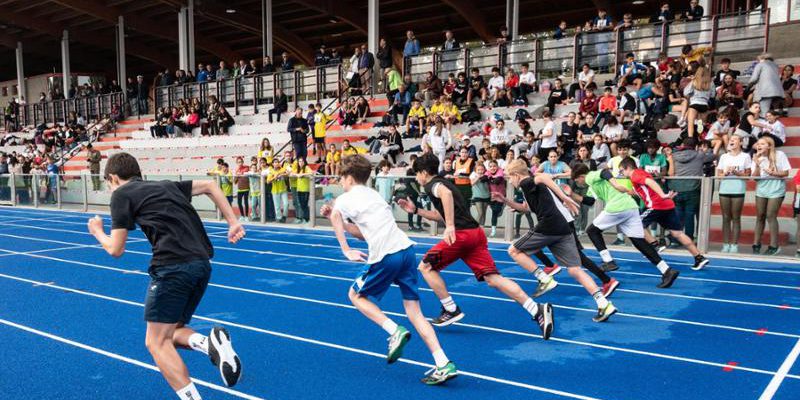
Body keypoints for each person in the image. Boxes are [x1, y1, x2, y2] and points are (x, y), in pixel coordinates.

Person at [87, 153, 245, 400]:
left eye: (108, 184)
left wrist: (97, 232)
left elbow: (116, 249)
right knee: (171, 332)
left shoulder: (121, 194)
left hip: (172, 267)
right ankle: (209, 343)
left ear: (113, 178)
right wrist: (233, 222)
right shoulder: (165, 185)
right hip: (201, 264)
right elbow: (210, 185)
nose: (109, 189)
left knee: (155, 343)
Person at [320, 155, 457, 384]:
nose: (340, 184)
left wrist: (345, 249)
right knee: (414, 311)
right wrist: (344, 225)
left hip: (386, 255)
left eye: (341, 179)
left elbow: (335, 215)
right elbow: (364, 233)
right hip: (406, 251)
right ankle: (443, 363)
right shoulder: (374, 195)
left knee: (355, 295)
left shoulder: (345, 198)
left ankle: (394, 330)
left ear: (349, 178)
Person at [396, 153, 554, 336]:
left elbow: (445, 197)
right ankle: (537, 310)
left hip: (461, 236)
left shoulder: (435, 185)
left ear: (424, 172)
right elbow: (441, 214)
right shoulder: (446, 183)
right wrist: (415, 210)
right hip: (475, 235)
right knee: (493, 279)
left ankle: (450, 309)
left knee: (425, 267)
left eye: (417, 174)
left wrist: (450, 226)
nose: (416, 178)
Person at [496, 159, 618, 322]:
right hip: (562, 228)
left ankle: (544, 278)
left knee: (513, 250)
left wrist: (564, 198)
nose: (510, 181)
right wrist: (504, 200)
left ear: (517, 175)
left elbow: (544, 177)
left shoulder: (527, 182)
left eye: (510, 178)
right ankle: (603, 303)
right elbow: (526, 208)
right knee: (574, 269)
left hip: (548, 225)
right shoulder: (528, 188)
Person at [574, 164, 680, 288]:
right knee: (639, 242)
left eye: (577, 180)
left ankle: (608, 261)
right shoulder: (593, 185)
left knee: (592, 231)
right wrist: (571, 195)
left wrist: (616, 184)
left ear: (581, 176)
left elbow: (604, 172)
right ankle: (667, 270)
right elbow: (590, 201)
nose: (578, 183)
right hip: (630, 207)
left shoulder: (590, 177)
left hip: (617, 207)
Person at [618, 158, 710, 270]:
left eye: (622, 171)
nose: (621, 174)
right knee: (678, 233)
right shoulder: (641, 173)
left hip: (656, 205)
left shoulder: (635, 174)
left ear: (628, 168)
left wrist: (662, 194)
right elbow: (641, 190)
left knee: (636, 223)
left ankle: (655, 245)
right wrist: (624, 190)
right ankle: (699, 257)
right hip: (667, 205)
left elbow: (650, 182)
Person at [751, 137, 791, 255]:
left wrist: (774, 173)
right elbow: (755, 178)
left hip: (776, 189)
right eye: (758, 144)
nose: (759, 145)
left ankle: (774, 246)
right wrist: (757, 164)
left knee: (770, 215)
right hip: (762, 189)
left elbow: (786, 172)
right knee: (760, 216)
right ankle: (756, 244)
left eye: (762, 144)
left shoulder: (780, 154)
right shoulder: (757, 157)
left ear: (769, 146)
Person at [716, 135, 751, 253]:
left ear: (740, 143)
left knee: (736, 218)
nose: (731, 141)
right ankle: (725, 244)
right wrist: (725, 174)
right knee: (726, 218)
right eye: (731, 139)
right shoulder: (724, 156)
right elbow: (719, 175)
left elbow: (748, 176)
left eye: (735, 139)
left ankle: (734, 244)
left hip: (738, 189)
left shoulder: (745, 156)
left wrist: (737, 173)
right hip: (724, 189)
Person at [683, 66, 714, 138]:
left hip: (694, 104)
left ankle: (690, 139)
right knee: (701, 124)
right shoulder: (710, 82)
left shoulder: (694, 81)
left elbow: (686, 92)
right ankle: (700, 139)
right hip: (704, 105)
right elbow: (713, 95)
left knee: (690, 124)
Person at [267, 158, 290, 223]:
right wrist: (275, 177)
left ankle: (284, 216)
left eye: (277, 162)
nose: (276, 163)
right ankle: (279, 218)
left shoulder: (282, 169)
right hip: (275, 190)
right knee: (277, 206)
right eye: (275, 162)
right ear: (273, 164)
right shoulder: (271, 171)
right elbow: (268, 181)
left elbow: (288, 173)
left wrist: (281, 174)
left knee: (286, 204)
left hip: (283, 189)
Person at [233, 157, 250, 221]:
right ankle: (242, 215)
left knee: (246, 202)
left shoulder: (247, 168)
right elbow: (235, 182)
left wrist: (240, 173)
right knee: (239, 202)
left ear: (243, 162)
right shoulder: (236, 170)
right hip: (239, 188)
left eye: (241, 162)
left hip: (246, 188)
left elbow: (245, 172)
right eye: (238, 162)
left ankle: (246, 216)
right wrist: (236, 175)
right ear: (237, 163)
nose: (240, 163)